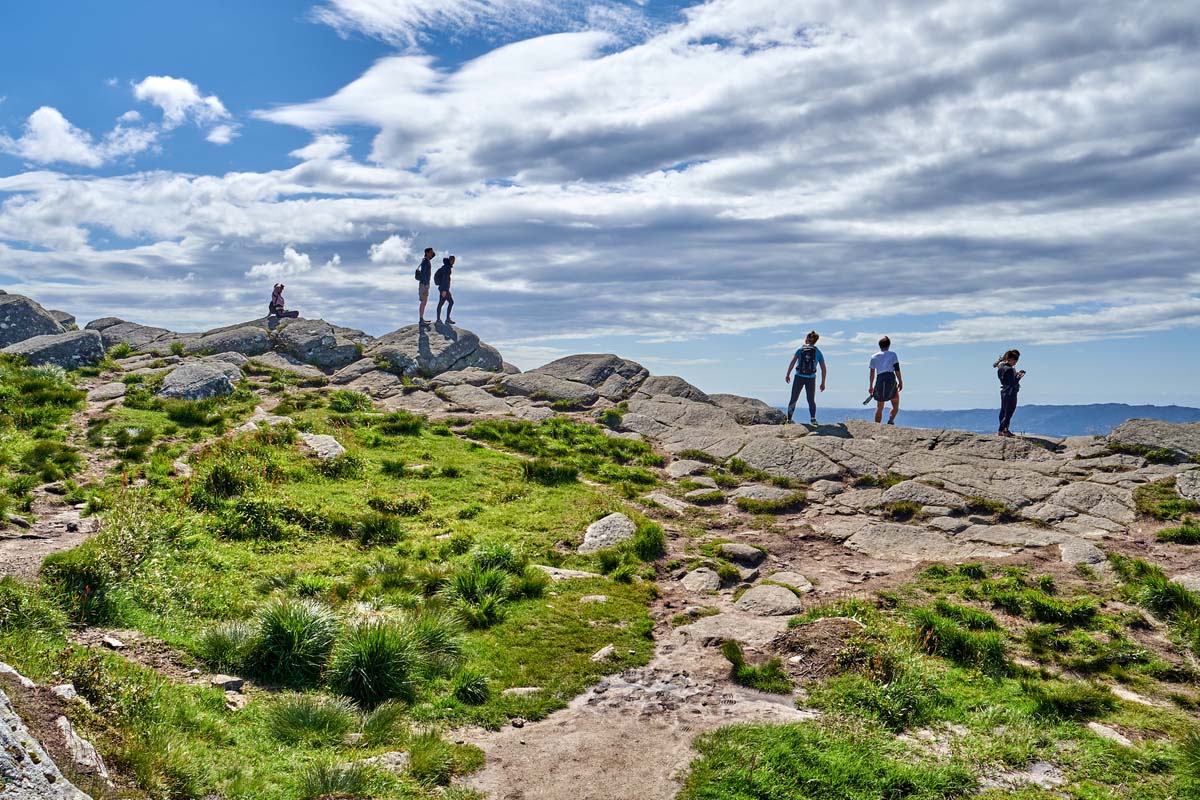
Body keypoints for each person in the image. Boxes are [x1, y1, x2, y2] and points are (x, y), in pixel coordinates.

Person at [784, 330, 826, 424]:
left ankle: (789, 419)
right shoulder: (818, 352)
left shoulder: (800, 350)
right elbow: (823, 369)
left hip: (799, 377)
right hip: (811, 378)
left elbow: (792, 362)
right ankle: (813, 419)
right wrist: (823, 382)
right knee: (811, 399)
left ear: (807, 339)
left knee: (793, 398)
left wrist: (788, 374)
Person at [868, 335, 903, 424]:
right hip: (890, 379)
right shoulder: (893, 354)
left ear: (880, 345)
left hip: (880, 379)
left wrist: (871, 385)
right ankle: (891, 420)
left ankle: (877, 425)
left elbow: (872, 373)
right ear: (889, 345)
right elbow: (897, 369)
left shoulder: (873, 357)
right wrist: (900, 381)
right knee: (895, 404)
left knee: (880, 406)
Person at [994, 349, 1024, 437]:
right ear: (1010, 359)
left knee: (1003, 411)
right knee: (1009, 413)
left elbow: (1006, 380)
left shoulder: (1001, 367)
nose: (1015, 363)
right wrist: (1019, 377)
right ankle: (1001, 431)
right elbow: (1012, 383)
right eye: (1015, 361)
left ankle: (1004, 430)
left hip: (1003, 391)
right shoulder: (1010, 369)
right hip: (1011, 392)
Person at [416, 247, 435, 328]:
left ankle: (422, 318)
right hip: (424, 284)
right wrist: (425, 283)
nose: (432, 253)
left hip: (425, 284)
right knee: (423, 301)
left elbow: (434, 255)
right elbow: (423, 273)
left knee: (424, 301)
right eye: (430, 252)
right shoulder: (425, 261)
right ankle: (421, 320)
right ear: (427, 253)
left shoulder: (426, 261)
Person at [434, 254, 456, 324]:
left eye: (454, 260)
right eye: (452, 260)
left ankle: (439, 319)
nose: (453, 261)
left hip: (442, 288)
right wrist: (445, 290)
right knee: (451, 302)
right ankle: (447, 319)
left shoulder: (445, 266)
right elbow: (445, 279)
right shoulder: (447, 268)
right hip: (444, 289)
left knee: (441, 303)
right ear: (450, 260)